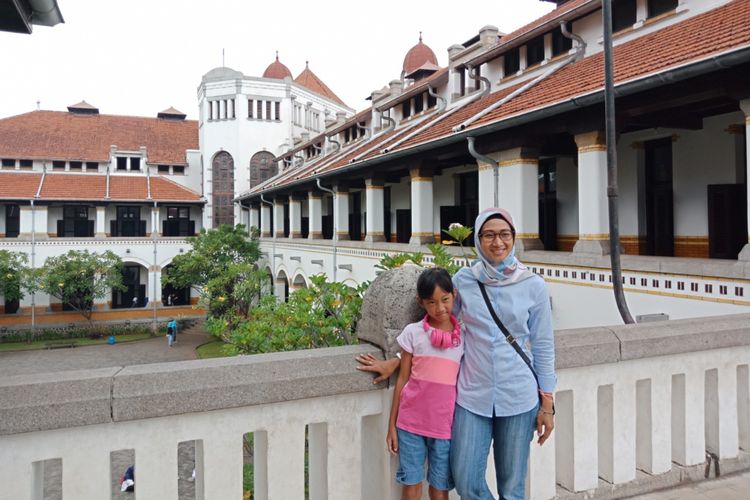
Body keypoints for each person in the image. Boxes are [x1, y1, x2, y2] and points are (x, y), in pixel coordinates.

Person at [357, 208, 556, 500]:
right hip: (472, 397)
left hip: (518, 396)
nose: (497, 242)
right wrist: (398, 360)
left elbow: (543, 346)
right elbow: (440, 329)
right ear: (478, 239)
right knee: (465, 480)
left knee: (512, 487)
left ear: (514, 237)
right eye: (488, 235)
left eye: (504, 234)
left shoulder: (533, 286)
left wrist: (547, 404)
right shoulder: (464, 281)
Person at [388, 267, 464, 500]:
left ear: (455, 295)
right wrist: (392, 425)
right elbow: (403, 378)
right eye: (431, 302)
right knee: (411, 484)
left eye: (445, 300)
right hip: (410, 424)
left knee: (440, 487)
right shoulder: (413, 333)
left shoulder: (464, 337)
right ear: (420, 302)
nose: (439, 308)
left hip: (443, 427)